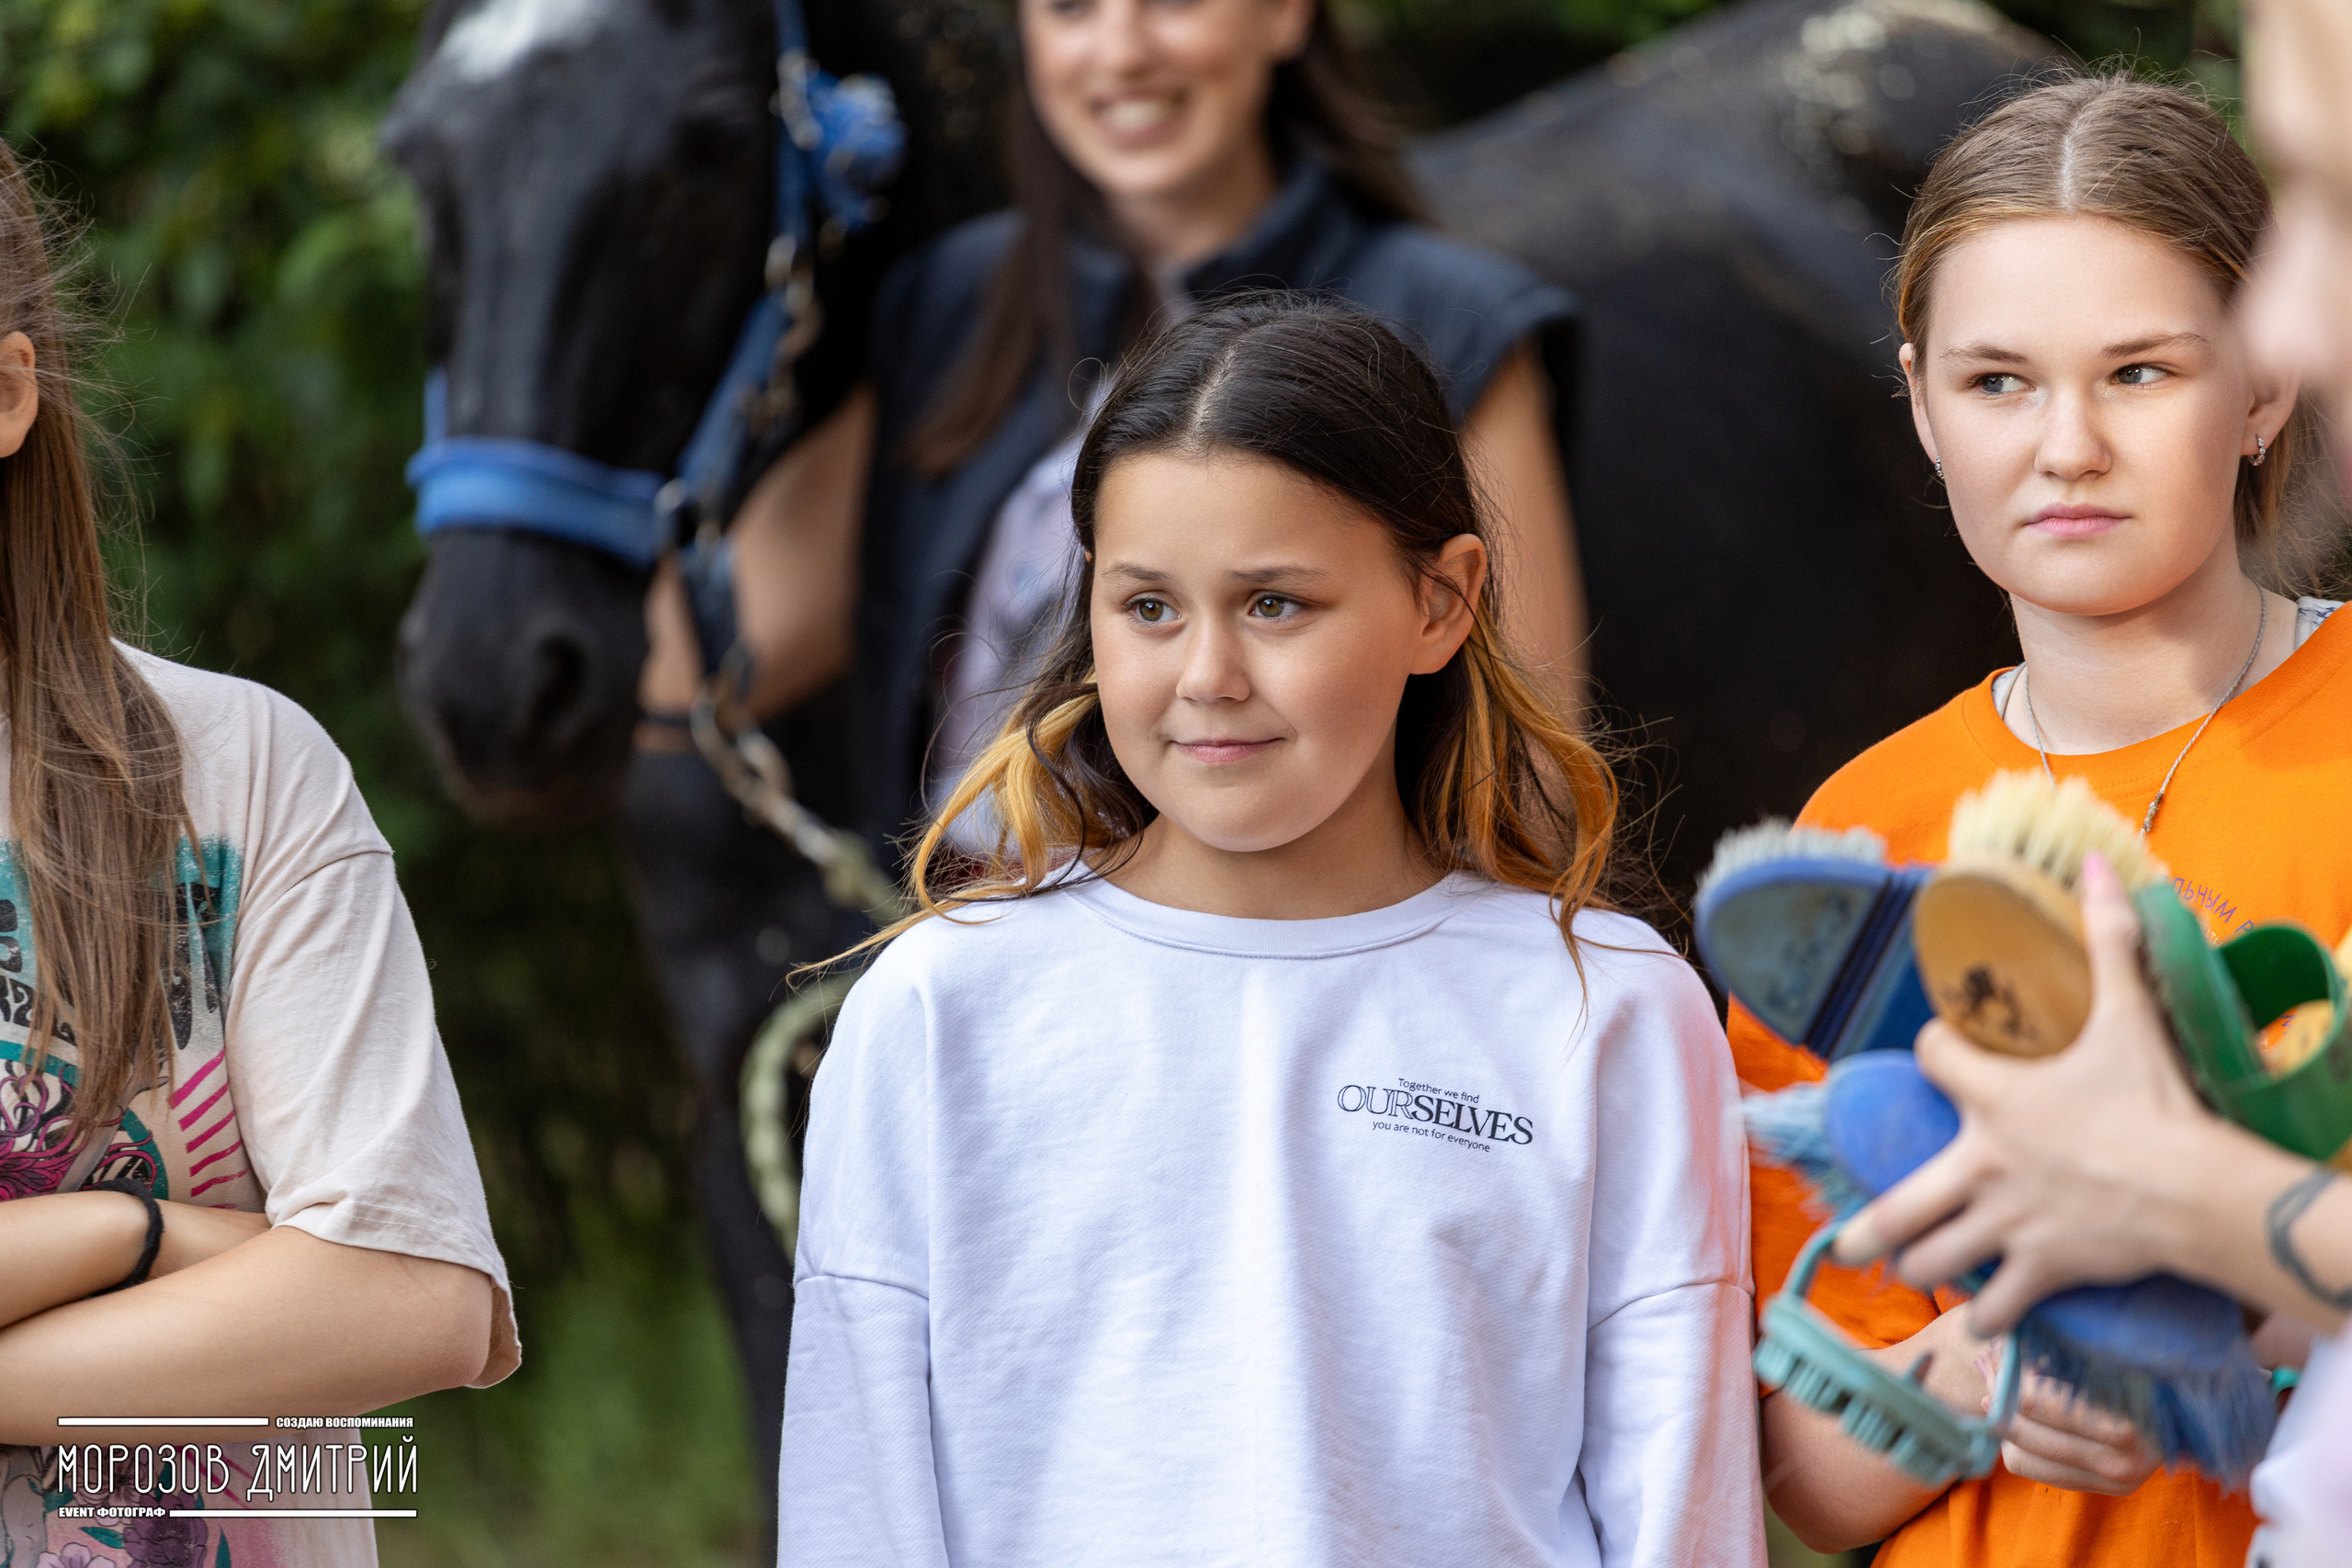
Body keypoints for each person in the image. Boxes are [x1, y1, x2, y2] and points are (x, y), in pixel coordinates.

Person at [775, 295, 1759, 1566]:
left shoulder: (1607, 1004)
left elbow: (1682, 1506)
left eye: (1277, 603)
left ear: (1442, 601)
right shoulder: (939, 1006)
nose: (1207, 674)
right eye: (1149, 607)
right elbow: (859, 1501)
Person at [1728, 72, 2346, 1567]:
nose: (2065, 444)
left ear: (2263, 386)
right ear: (1923, 407)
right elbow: (1800, 1473)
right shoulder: (1860, 832)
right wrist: (1980, 1384)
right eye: (1998, 380)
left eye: (2139, 371)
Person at [640, 0, 1585, 858]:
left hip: (1294, 963)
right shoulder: (950, 305)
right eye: (1071, 9)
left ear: (1287, 15)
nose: (1121, 51)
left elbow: (1528, 787)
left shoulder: (1445, 321)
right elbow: (700, 659)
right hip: (983, 952)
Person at [0, 142, 514, 1566]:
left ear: (7, 395)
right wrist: (170, 1241)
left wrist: (106, 1244)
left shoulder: (241, 775)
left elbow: (417, 1300)